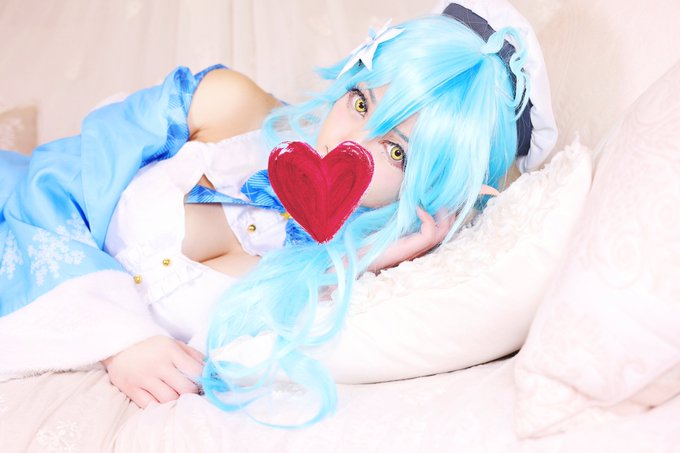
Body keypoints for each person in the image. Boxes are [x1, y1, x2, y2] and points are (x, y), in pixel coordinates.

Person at [0, 5, 554, 427]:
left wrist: (353, 262)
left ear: (437, 192)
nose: (350, 143)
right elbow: (55, 181)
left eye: (396, 151)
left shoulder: (344, 278)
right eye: (361, 102)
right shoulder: (226, 105)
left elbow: (228, 361)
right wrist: (117, 337)